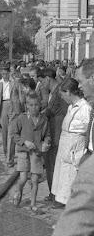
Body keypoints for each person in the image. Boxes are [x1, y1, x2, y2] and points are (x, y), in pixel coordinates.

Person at [52, 58, 94, 236]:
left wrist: (82, 157)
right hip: (71, 155)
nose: (80, 87)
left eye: (82, 81)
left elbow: (86, 133)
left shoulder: (86, 108)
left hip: (82, 159)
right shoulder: (75, 107)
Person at [51, 78, 91, 208]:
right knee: (63, 188)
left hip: (75, 156)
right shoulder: (70, 108)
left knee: (72, 190)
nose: (62, 98)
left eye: (63, 95)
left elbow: (89, 133)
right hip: (64, 153)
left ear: (68, 92)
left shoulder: (85, 108)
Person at [12, 93, 51, 211]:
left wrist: (47, 142)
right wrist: (24, 142)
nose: (34, 108)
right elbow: (14, 134)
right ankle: (19, 190)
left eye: (36, 105)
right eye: (31, 105)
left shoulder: (44, 119)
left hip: (37, 152)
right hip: (24, 152)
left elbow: (47, 134)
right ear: (26, 106)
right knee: (23, 178)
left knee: (35, 180)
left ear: (40, 105)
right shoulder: (21, 118)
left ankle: (33, 204)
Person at [39, 68, 68, 202]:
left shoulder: (59, 93)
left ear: (47, 79)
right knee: (51, 165)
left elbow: (61, 113)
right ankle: (53, 194)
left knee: (54, 166)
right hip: (54, 133)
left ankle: (56, 195)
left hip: (57, 134)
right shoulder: (55, 92)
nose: (41, 85)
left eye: (42, 81)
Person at [0, 63, 24, 167]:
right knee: (4, 133)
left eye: (5, 73)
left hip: (14, 106)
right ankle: (6, 154)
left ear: (9, 72)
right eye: (2, 74)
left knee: (11, 133)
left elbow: (21, 95)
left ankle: (10, 159)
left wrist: (22, 110)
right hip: (3, 106)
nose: (4, 75)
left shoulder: (15, 81)